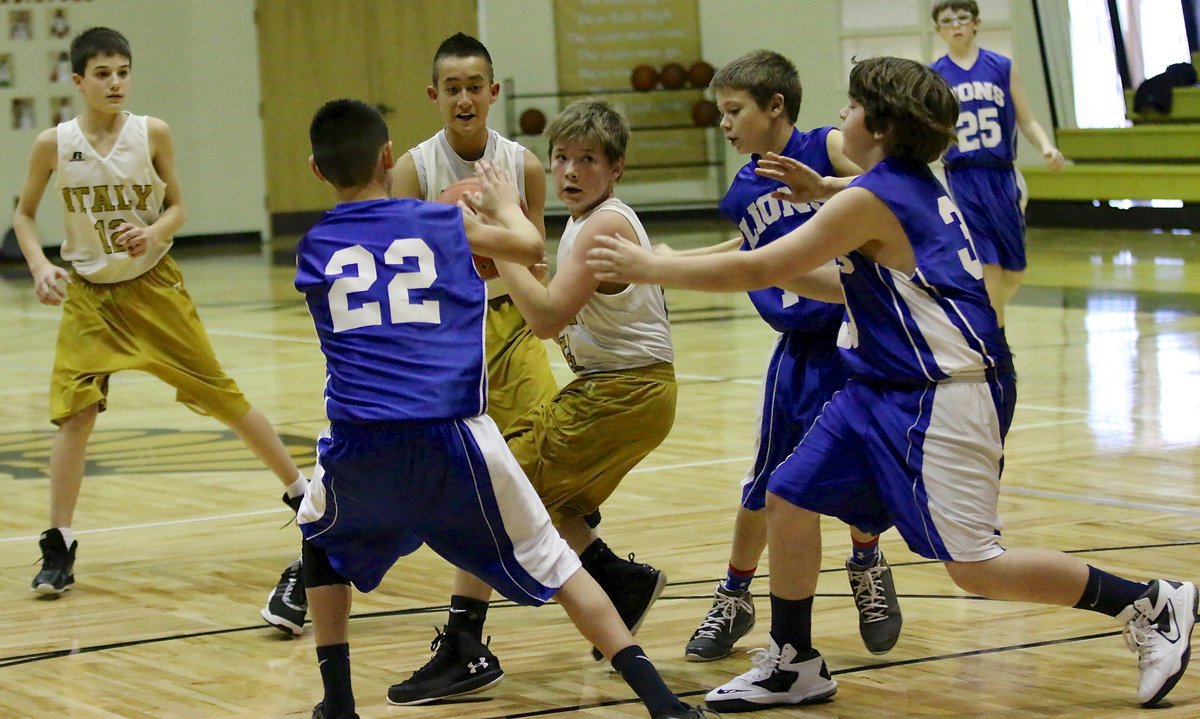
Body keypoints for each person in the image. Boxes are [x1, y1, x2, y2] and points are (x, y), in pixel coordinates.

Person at [587, 56, 1195, 711]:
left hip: (945, 393)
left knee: (973, 567)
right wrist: (818, 194)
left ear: (877, 125)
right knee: (787, 496)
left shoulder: (871, 200)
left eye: (849, 108)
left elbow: (762, 263)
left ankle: (1148, 601)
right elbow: (830, 281)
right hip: (878, 386)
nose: (839, 116)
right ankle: (794, 661)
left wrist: (649, 263)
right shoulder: (895, 186)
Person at [294, 98, 710, 719]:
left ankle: (339, 703)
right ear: (388, 157)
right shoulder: (437, 225)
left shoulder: (313, 245)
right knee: (556, 562)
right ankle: (662, 703)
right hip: (451, 433)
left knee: (318, 543)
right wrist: (491, 209)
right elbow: (521, 242)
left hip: (360, 439)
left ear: (317, 171)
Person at [258, 30, 563, 637]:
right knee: (424, 462)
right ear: (434, 95)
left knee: (539, 452)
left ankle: (572, 575)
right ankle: (312, 567)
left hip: (507, 321)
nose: (464, 98)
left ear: (493, 92)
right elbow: (383, 240)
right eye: (453, 88)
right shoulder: (414, 167)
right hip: (440, 329)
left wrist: (521, 281)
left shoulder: (522, 165)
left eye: (474, 87)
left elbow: (535, 258)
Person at [388, 97, 678, 705]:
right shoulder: (590, 221)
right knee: (531, 498)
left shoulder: (601, 224)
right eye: (562, 158)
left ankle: (465, 646)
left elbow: (544, 319)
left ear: (616, 167)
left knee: (492, 492)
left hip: (620, 393)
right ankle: (616, 583)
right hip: (622, 395)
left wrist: (492, 248)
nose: (571, 171)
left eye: (588, 160)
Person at [11, 26, 307, 598]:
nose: (115, 81)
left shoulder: (152, 133)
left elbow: (178, 207)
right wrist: (39, 265)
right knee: (75, 416)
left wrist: (150, 233)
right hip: (90, 299)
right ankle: (58, 542)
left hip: (154, 289)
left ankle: (301, 493)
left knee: (220, 393)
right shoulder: (54, 143)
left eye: (123, 71)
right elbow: (23, 215)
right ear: (78, 81)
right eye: (102, 73)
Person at [666, 49, 902, 663]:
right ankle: (735, 593)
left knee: (864, 472)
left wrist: (827, 186)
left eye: (733, 110)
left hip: (860, 340)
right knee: (765, 482)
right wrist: (667, 265)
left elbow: (889, 188)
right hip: (798, 350)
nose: (724, 123)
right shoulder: (745, 185)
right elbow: (747, 249)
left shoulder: (826, 147)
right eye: (722, 112)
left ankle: (867, 561)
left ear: (776, 108)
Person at [930, 0, 1065, 332]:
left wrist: (1048, 147)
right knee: (986, 263)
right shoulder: (934, 76)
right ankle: (994, 339)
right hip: (962, 177)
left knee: (1013, 270)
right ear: (939, 30)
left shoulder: (1001, 67)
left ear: (976, 22)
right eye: (947, 21)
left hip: (1003, 176)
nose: (956, 25)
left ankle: (989, 320)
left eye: (962, 18)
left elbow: (1027, 119)